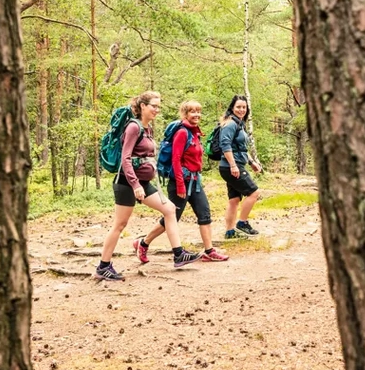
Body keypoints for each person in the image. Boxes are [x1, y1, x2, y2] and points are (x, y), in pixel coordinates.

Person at [95, 91, 201, 281]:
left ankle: (178, 254)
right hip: (126, 183)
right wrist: (135, 185)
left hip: (143, 183)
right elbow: (125, 159)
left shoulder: (147, 128)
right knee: (120, 225)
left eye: (158, 106)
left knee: (169, 209)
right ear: (143, 106)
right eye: (154, 106)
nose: (157, 110)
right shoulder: (133, 128)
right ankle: (103, 266)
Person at [134, 100, 230, 263]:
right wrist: (179, 184)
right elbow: (176, 159)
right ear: (185, 114)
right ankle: (143, 243)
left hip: (195, 181)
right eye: (192, 112)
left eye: (198, 111)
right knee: (172, 217)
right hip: (181, 181)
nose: (197, 114)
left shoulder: (195, 132)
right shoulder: (183, 132)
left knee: (204, 213)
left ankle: (209, 251)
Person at [217, 95, 263, 239]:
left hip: (233, 165)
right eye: (238, 107)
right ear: (232, 108)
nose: (241, 110)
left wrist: (251, 162)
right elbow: (225, 145)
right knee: (254, 193)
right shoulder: (230, 124)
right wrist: (233, 165)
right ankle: (242, 223)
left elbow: (240, 148)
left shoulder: (239, 124)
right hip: (231, 166)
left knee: (234, 200)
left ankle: (230, 232)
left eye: (244, 107)